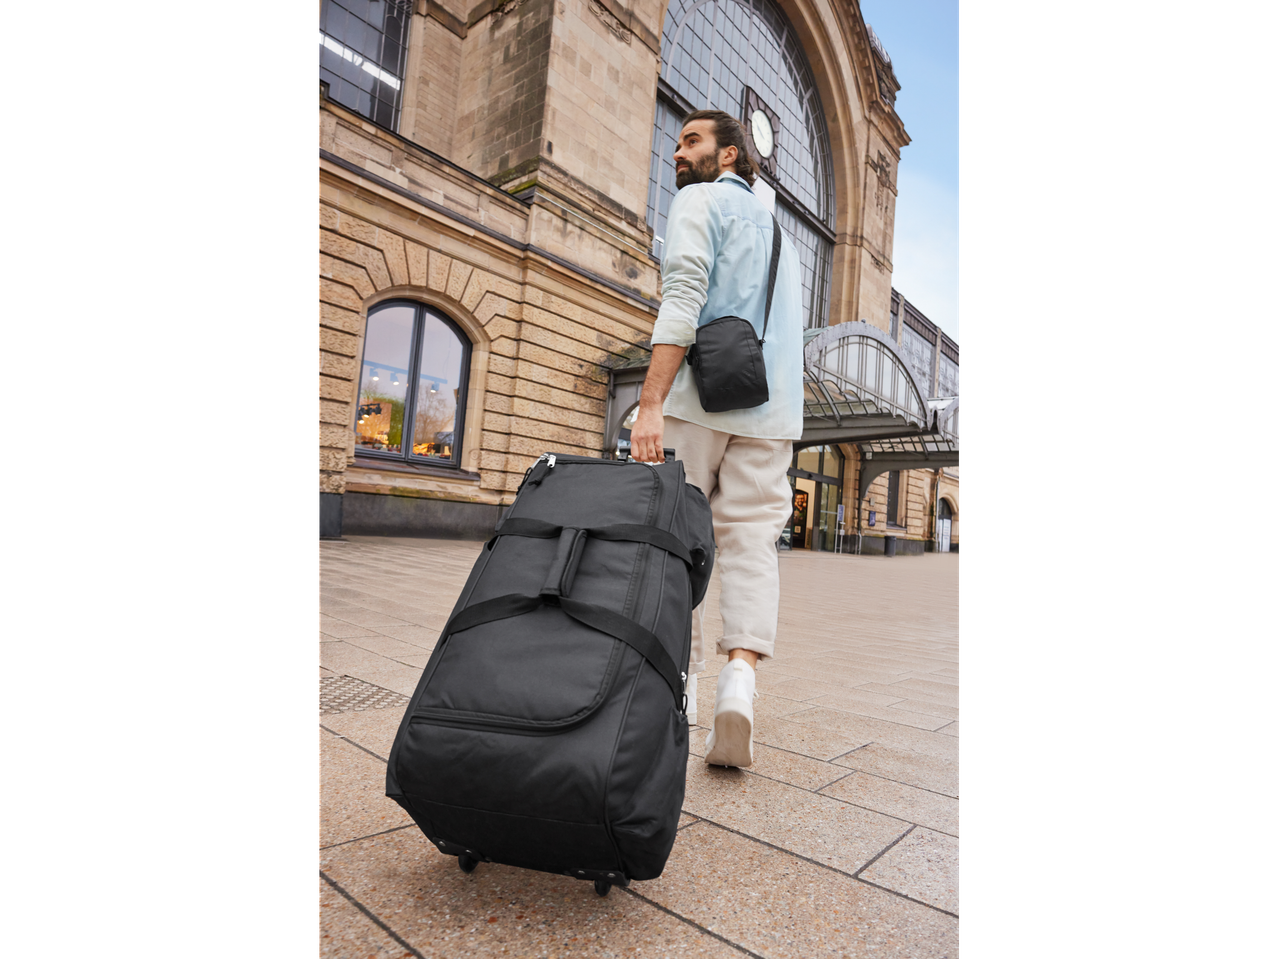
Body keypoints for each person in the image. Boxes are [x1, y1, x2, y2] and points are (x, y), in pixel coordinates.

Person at [628, 110, 803, 768]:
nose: (678, 152)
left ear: (729, 154)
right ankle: (740, 680)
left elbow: (683, 296)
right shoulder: (779, 233)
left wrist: (650, 401)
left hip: (699, 400)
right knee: (752, 544)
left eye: (692, 141)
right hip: (770, 408)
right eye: (676, 141)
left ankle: (679, 686)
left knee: (673, 543)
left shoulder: (701, 202)